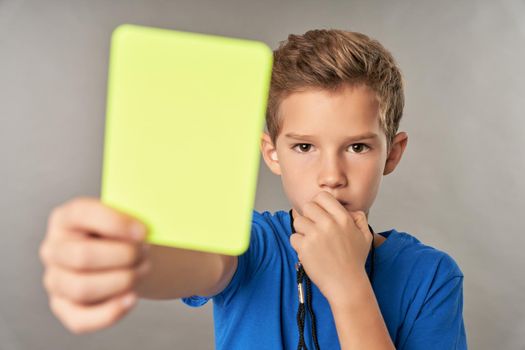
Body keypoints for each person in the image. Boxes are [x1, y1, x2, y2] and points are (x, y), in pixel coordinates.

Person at [39, 29, 467, 349]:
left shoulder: (432, 277)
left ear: (392, 154)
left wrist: (348, 283)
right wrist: (126, 259)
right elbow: (199, 263)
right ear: (272, 153)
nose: (331, 175)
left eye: (357, 146)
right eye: (304, 146)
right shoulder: (252, 244)